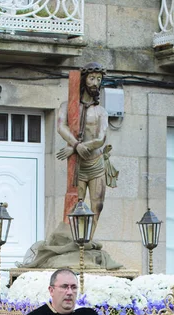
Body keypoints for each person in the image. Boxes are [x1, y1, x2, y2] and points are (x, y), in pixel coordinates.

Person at [57, 62, 118, 235]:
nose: (95, 83)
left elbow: (100, 139)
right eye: (92, 78)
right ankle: (77, 241)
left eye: (99, 79)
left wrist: (76, 147)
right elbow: (61, 127)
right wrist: (76, 146)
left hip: (96, 164)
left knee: (97, 205)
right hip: (79, 166)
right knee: (78, 205)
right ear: (83, 80)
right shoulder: (67, 107)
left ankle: (89, 240)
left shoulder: (101, 112)